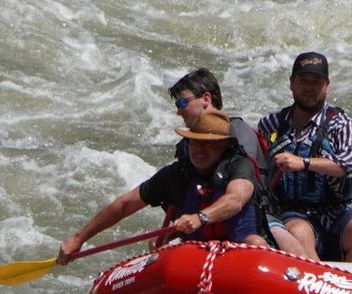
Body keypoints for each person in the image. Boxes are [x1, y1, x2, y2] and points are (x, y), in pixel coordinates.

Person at [57, 109, 272, 262]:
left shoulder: (239, 165)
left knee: (257, 243)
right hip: (195, 253)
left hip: (240, 248)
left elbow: (235, 199)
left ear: (224, 145)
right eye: (194, 142)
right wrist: (79, 238)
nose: (199, 149)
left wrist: (200, 218)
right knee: (163, 252)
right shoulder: (176, 173)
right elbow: (124, 205)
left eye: (208, 143)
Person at [168, 67, 305, 257]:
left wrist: (203, 216)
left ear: (206, 99)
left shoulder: (238, 132)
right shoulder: (185, 145)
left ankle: (317, 278)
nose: (179, 111)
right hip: (201, 219)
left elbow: (241, 186)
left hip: (253, 214)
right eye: (177, 104)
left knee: (282, 237)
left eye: (183, 102)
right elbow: (179, 191)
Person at [256, 52, 352, 263]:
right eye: (303, 80)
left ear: (327, 86)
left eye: (316, 82)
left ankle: (350, 290)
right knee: (299, 232)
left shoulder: (343, 124)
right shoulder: (271, 125)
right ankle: (316, 288)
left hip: (341, 210)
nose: (309, 88)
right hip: (294, 211)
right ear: (292, 83)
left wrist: (303, 163)